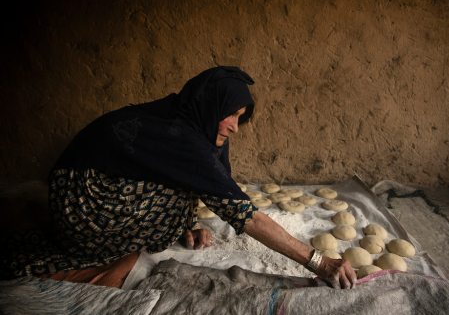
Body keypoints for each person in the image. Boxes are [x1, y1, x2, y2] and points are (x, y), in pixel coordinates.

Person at [1, 66, 356, 289]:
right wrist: (319, 262)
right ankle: (87, 249)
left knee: (188, 191)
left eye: (240, 116)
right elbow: (244, 215)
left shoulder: (196, 126)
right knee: (178, 194)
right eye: (229, 114)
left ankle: (168, 228)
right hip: (80, 198)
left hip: (100, 185)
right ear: (209, 106)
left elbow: (220, 187)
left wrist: (184, 225)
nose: (234, 125)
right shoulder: (180, 135)